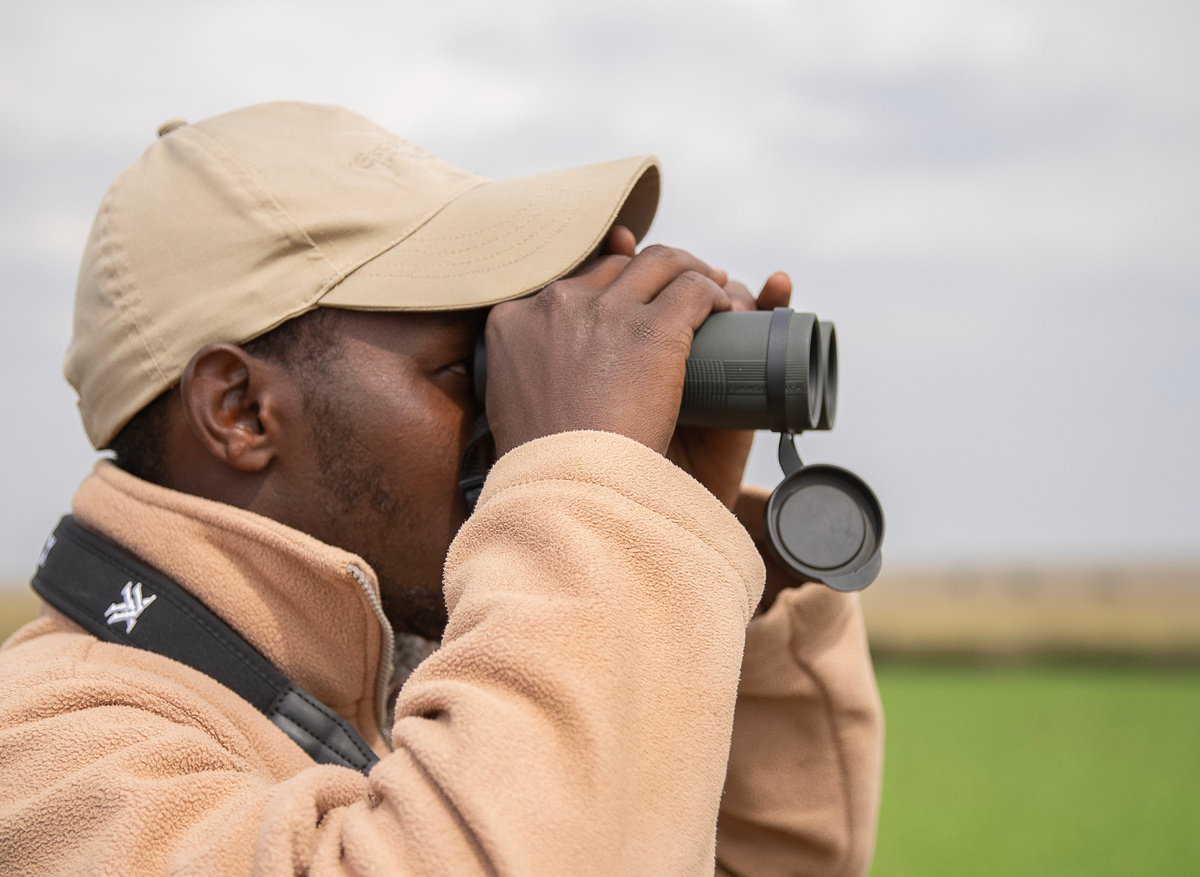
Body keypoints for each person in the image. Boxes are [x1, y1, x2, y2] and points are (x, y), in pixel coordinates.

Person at [0, 102, 882, 876]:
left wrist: (677, 533)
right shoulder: (45, 759)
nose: (515, 418)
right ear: (241, 411)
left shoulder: (393, 665)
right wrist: (592, 499)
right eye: (471, 367)